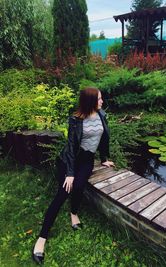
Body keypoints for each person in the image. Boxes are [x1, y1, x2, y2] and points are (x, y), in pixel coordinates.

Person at [32, 87, 114, 264]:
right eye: (99, 99)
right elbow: (70, 147)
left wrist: (105, 158)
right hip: (70, 160)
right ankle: (41, 239)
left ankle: (74, 213)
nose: (102, 101)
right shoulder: (75, 119)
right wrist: (69, 172)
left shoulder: (102, 115)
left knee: (79, 187)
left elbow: (104, 138)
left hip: (87, 160)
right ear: (90, 101)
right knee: (62, 194)